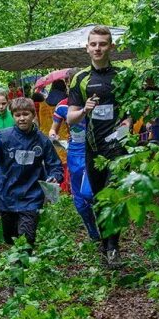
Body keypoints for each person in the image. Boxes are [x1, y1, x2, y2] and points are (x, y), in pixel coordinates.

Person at [67, 25, 132, 268]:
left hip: (117, 147)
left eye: (102, 44)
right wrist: (85, 110)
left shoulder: (123, 76)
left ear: (111, 47)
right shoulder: (80, 78)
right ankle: (106, 244)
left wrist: (127, 123)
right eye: (93, 44)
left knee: (111, 197)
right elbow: (70, 117)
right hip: (92, 148)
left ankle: (113, 248)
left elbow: (131, 110)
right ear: (87, 47)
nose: (98, 48)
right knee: (98, 198)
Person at [0, 97, 63, 247]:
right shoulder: (3, 137)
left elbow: (54, 165)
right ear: (13, 116)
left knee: (27, 237)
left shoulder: (42, 140)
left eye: (25, 114)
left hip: (31, 194)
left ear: (33, 115)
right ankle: (14, 255)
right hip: (6, 192)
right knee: (10, 236)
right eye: (17, 115)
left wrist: (55, 177)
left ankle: (21, 265)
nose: (22, 118)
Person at [48, 97, 100, 242]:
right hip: (74, 153)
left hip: (94, 152)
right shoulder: (62, 106)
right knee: (79, 201)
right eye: (70, 82)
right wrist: (53, 134)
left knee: (88, 193)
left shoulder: (98, 101)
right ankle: (93, 233)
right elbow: (54, 127)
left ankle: (106, 223)